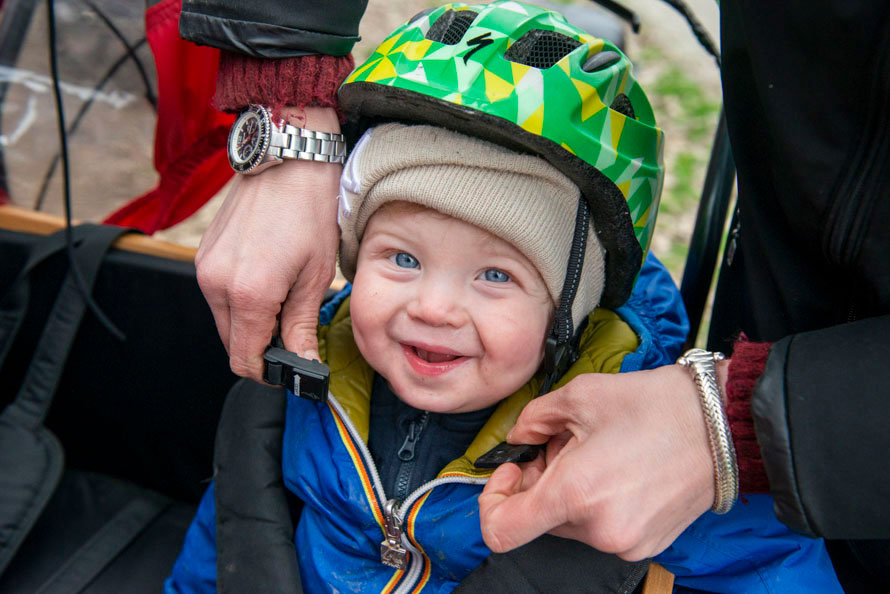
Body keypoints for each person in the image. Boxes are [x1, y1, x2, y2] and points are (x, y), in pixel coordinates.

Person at [179, 0, 890, 589]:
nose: (433, 307)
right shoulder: (313, 383)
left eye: (496, 276)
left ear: (568, 313)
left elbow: (768, 560)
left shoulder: (638, 443)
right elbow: (229, 525)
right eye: (401, 257)